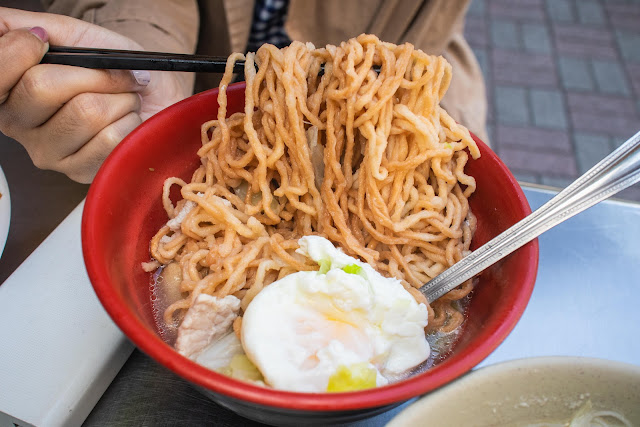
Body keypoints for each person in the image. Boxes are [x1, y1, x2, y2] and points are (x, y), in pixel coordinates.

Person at [0, 0, 487, 184]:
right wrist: (136, 65)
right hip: (203, 111)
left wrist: (430, 130)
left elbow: (426, 37)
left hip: (377, 107)